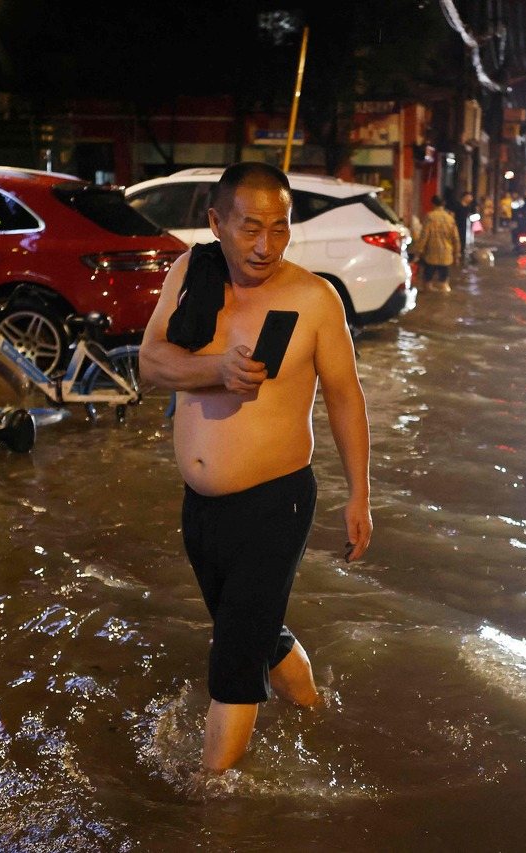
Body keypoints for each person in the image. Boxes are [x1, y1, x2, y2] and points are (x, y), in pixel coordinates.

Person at [139, 162, 373, 774]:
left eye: (280, 226)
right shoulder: (192, 273)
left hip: (277, 503)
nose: (265, 244)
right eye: (249, 228)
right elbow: (151, 363)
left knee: (233, 652)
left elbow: (347, 397)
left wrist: (359, 497)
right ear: (216, 224)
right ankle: (313, 708)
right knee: (253, 630)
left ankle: (212, 801)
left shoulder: (314, 298)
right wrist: (215, 369)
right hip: (201, 507)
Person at [412, 195, 460, 292]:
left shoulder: (430, 217)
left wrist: (418, 251)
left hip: (431, 254)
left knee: (427, 283)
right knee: (444, 284)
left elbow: (424, 236)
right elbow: (456, 238)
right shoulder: (450, 218)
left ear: (433, 204)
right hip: (446, 254)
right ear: (444, 204)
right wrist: (457, 254)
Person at [449, 191, 476, 261]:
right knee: (455, 241)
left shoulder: (468, 207)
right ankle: (454, 256)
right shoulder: (456, 205)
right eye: (470, 197)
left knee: (462, 242)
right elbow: (452, 215)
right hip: (456, 227)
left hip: (464, 228)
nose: (471, 199)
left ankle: (460, 256)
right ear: (465, 197)